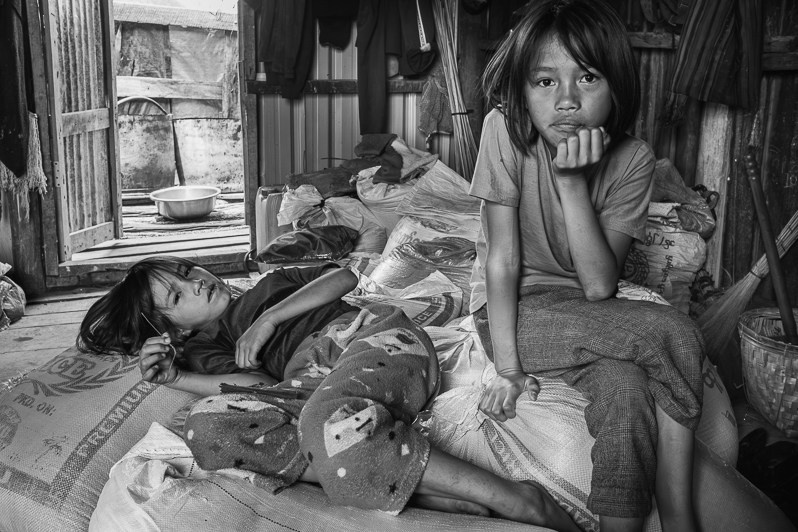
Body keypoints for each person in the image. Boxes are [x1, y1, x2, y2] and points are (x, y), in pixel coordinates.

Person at [77, 255, 580, 532]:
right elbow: (257, 390)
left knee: (328, 423)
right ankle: (412, 486)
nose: (195, 283)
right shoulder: (209, 347)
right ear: (175, 330)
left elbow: (342, 277)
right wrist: (175, 379)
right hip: (313, 386)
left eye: (187, 271)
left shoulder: (270, 285)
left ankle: (520, 501)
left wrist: (269, 318)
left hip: (373, 338)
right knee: (206, 423)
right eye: (177, 296)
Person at [468, 1, 704, 531]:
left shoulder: (633, 159)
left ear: (616, 87)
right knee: (677, 333)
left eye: (588, 77)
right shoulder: (502, 132)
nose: (567, 100)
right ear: (522, 91)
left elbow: (599, 285)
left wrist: (572, 183)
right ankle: (679, 513)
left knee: (626, 388)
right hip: (515, 314)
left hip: (585, 309)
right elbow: (502, 260)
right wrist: (508, 369)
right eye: (545, 81)